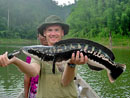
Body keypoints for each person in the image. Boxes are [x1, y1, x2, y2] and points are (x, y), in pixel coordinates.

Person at [0, 15, 88, 98]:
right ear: (44, 33)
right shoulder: (39, 53)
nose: (53, 33)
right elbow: (33, 72)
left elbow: (65, 82)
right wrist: (15, 61)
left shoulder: (71, 51)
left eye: (56, 30)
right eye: (49, 30)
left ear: (62, 33)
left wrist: (71, 64)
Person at [24, 34, 48, 98]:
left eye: (46, 34)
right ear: (38, 36)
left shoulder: (58, 53)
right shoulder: (31, 53)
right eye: (42, 35)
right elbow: (27, 76)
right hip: (34, 93)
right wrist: (25, 95)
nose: (45, 37)